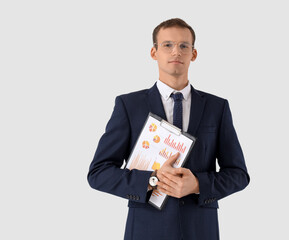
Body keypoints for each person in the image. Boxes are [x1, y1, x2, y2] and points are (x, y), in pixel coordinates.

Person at [87, 18, 250, 240]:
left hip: (200, 230)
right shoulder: (129, 105)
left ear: (193, 54)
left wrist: (198, 185)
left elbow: (239, 175)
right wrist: (152, 180)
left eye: (184, 46)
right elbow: (99, 173)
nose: (176, 51)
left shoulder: (217, 107)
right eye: (167, 45)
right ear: (154, 52)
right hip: (146, 230)